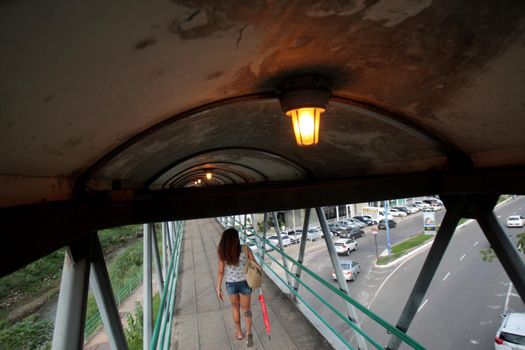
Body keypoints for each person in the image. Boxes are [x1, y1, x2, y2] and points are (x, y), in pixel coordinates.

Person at [216, 227, 256, 347]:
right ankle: (249, 334)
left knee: (235, 308)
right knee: (247, 310)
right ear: (236, 239)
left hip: (231, 284)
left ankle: (239, 333)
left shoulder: (223, 253)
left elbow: (220, 272)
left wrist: (218, 288)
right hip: (245, 283)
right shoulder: (245, 249)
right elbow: (254, 264)